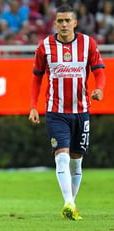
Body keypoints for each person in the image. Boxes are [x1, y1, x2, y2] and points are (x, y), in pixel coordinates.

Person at [28, 4, 106, 221]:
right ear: (54, 23)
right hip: (56, 112)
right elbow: (36, 77)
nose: (63, 24)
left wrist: (100, 88)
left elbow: (100, 71)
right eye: (59, 21)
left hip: (82, 111)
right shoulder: (45, 46)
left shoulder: (88, 43)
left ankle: (72, 204)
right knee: (61, 157)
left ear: (75, 22)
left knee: (76, 160)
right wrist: (33, 105)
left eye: (67, 21)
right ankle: (68, 203)